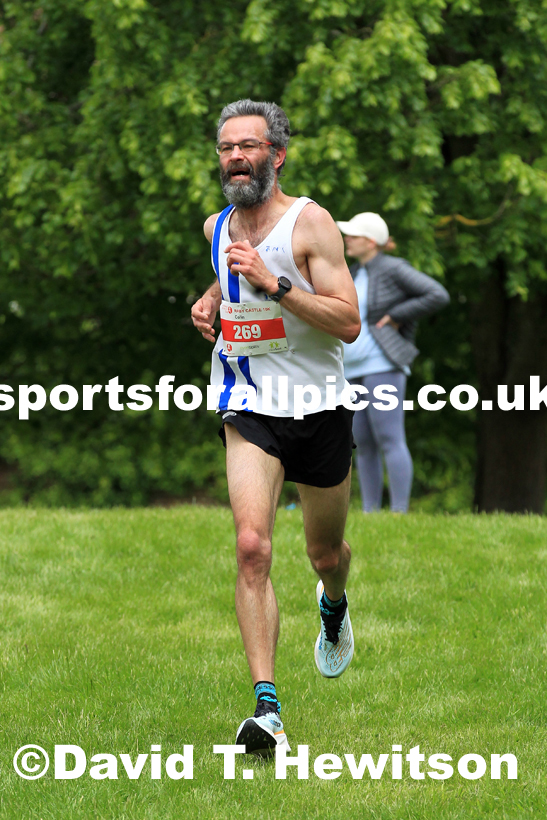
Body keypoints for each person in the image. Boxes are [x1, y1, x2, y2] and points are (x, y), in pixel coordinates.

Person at [191, 99, 361, 756]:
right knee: (252, 547)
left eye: (249, 146)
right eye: (226, 147)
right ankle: (267, 712)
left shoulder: (310, 223)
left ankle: (333, 604)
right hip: (249, 403)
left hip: (318, 409)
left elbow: (346, 321)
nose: (235, 157)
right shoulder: (216, 225)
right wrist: (210, 303)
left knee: (325, 554)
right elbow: (226, 277)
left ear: (276, 155)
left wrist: (275, 284)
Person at [336, 212, 450, 513]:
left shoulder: (393, 268)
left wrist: (397, 316)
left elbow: (437, 294)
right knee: (362, 441)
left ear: (371, 242)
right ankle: (370, 512)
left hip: (382, 364)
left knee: (389, 437)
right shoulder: (353, 272)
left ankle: (399, 512)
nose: (347, 239)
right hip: (352, 369)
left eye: (354, 236)